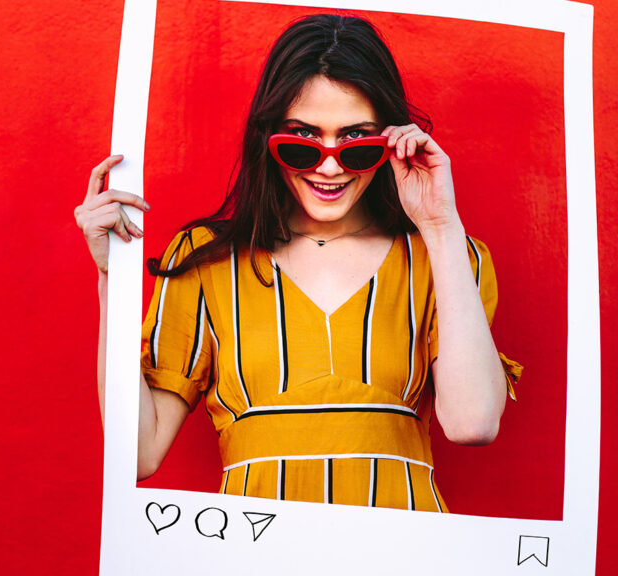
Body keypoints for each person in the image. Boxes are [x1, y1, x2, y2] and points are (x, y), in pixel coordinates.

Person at [74, 14, 521, 512]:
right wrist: (109, 275)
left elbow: (474, 422)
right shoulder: (206, 260)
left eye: (356, 141)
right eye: (302, 139)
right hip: (253, 555)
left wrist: (440, 226)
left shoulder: (447, 257)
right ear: (268, 138)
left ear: (390, 141)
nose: (329, 166)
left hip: (401, 554)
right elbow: (137, 452)